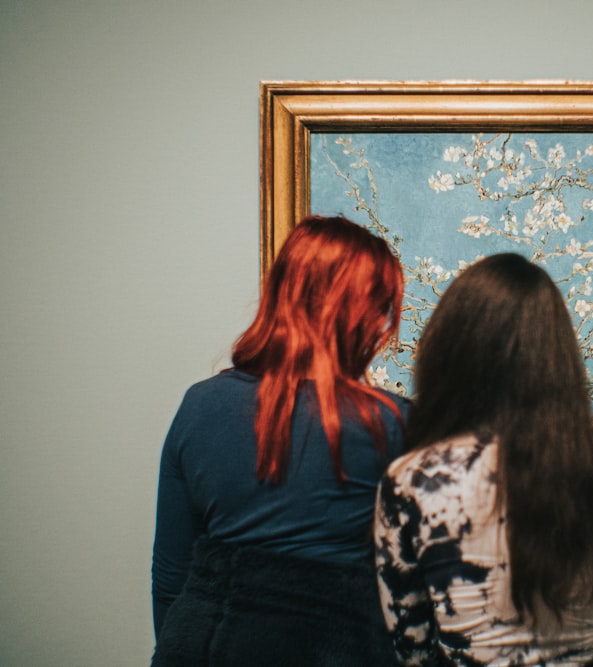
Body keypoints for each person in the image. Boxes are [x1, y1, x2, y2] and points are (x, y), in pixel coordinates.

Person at [374, 253, 593, 666]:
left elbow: (409, 643)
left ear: (449, 351)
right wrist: (569, 418)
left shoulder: (411, 481)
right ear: (555, 356)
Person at [151, 215, 406, 666]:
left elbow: (172, 578)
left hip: (203, 646)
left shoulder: (199, 406)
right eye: (382, 307)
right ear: (359, 313)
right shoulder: (393, 422)